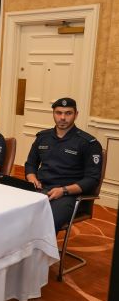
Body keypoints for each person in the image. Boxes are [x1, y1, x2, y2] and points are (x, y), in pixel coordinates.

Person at [25, 97, 103, 233]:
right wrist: (32, 179)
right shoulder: (42, 137)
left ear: (76, 114)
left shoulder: (88, 143)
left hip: (68, 195)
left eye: (68, 113)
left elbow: (92, 180)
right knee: (13, 213)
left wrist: (64, 190)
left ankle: (41, 247)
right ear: (53, 114)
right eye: (58, 113)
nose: (62, 117)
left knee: (45, 223)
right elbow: (30, 164)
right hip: (40, 189)